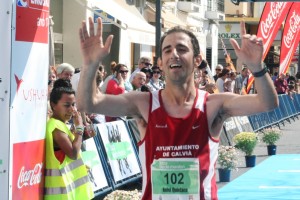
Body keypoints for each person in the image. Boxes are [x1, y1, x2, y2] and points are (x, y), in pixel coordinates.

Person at [77, 18, 278, 200]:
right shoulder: (144, 103)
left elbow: (267, 103)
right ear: (161, 63)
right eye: (167, 50)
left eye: (182, 49)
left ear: (197, 60)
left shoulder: (214, 104)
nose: (174, 54)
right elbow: (89, 103)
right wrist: (90, 64)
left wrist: (257, 67)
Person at [44, 79, 94, 199]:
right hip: (61, 194)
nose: (72, 109)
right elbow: (73, 153)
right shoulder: (55, 125)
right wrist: (79, 128)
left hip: (70, 192)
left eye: (73, 104)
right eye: (67, 105)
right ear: (53, 105)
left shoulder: (61, 124)